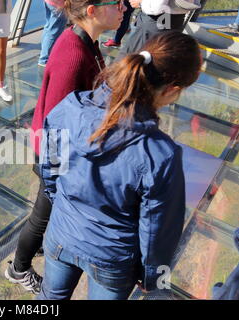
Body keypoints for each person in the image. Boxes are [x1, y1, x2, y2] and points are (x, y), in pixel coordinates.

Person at [38, 31, 202, 300]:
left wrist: (62, 207)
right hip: (112, 258)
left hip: (61, 232)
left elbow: (50, 168)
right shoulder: (160, 154)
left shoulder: (71, 106)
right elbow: (157, 232)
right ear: (172, 89)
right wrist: (153, 278)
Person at [4, 0, 125, 294]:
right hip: (55, 152)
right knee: (42, 213)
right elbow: (56, 121)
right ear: (93, 11)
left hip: (64, 147)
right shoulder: (73, 54)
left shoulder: (87, 42)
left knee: (47, 211)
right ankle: (18, 269)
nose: (123, 8)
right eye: (116, 4)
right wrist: (58, 175)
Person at [119, 0, 200, 57]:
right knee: (160, 57)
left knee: (130, 59)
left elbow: (157, 6)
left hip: (155, 20)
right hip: (176, 19)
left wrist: (141, 3)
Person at [38, 0, 68, 67]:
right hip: (58, 4)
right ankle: (44, 59)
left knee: (48, 28)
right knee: (54, 31)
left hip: (49, 2)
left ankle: (44, 54)